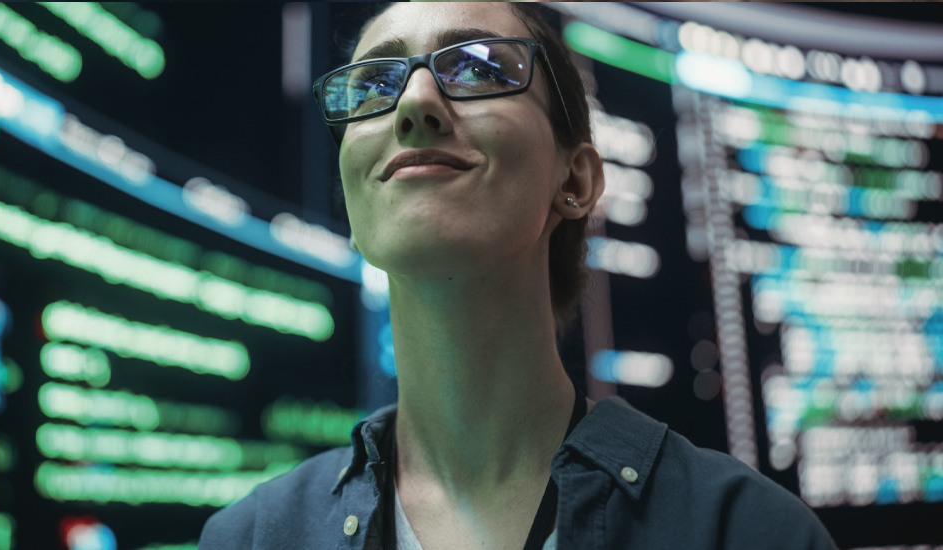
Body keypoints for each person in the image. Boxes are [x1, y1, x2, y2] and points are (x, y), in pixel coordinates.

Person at [200, 3, 836, 549]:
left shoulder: (750, 532)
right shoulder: (249, 538)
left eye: (477, 67)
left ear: (577, 180)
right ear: (352, 190)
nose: (416, 103)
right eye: (371, 86)